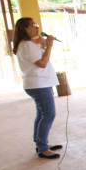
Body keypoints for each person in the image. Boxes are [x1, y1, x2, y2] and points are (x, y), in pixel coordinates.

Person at [12, 18, 61, 159]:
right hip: (38, 84)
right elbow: (42, 63)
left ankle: (41, 144)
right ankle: (43, 148)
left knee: (41, 115)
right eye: (33, 25)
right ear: (24, 29)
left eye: (36, 25)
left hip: (40, 83)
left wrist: (44, 45)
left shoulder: (28, 44)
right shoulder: (26, 45)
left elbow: (40, 58)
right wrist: (49, 46)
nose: (36, 28)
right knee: (49, 114)